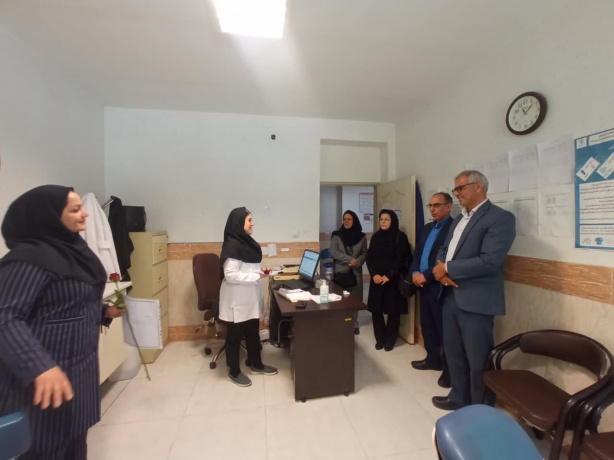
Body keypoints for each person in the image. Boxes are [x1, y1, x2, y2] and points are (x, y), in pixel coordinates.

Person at [0, 185, 123, 459]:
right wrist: (40, 367)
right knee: (45, 448)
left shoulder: (73, 251)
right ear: (49, 217)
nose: (85, 214)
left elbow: (65, 303)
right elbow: (6, 316)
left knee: (74, 444)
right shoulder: (28, 260)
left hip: (76, 374)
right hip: (40, 384)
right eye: (75, 209)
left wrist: (104, 312)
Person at [431, 171, 516, 411]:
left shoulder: (500, 218)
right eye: (455, 189)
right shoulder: (459, 219)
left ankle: (480, 407)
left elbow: (490, 261)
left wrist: (447, 268)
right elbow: (445, 248)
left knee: (478, 358)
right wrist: (441, 270)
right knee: (454, 353)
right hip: (450, 295)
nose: (456, 193)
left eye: (460, 188)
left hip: (476, 300)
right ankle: (458, 396)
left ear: (478, 186)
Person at [219, 207, 278, 387]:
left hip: (250, 297)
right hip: (236, 300)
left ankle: (256, 364)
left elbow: (248, 268)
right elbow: (230, 275)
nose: (252, 224)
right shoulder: (232, 246)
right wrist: (255, 276)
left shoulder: (249, 243)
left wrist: (261, 272)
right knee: (234, 337)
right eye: (249, 220)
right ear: (239, 223)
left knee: (253, 333)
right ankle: (234, 372)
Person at [409, 193, 454, 388]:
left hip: (439, 285)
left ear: (449, 206)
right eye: (430, 206)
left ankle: (449, 370)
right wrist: (415, 272)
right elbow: (418, 253)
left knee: (444, 329)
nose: (432, 209)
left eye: (437, 205)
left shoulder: (453, 228)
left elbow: (445, 259)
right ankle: (432, 359)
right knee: (427, 324)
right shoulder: (428, 228)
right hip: (423, 284)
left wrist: (426, 275)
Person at [366, 209, 412, 351]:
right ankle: (379, 339)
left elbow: (402, 259)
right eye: (381, 219)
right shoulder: (376, 237)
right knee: (376, 310)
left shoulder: (400, 237)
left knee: (393, 311)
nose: (383, 222)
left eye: (386, 219)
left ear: (393, 220)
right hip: (377, 280)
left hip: (393, 281)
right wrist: (373, 274)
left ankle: (390, 340)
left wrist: (389, 276)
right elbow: (369, 257)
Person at [329, 210, 368, 334]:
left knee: (355, 299)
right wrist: (350, 260)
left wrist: (358, 261)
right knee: (340, 298)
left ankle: (354, 322)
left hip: (355, 273)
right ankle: (341, 321)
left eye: (349, 219)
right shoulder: (336, 235)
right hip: (341, 273)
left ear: (354, 220)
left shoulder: (362, 237)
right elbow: (334, 252)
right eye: (344, 219)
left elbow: (364, 253)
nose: (346, 221)